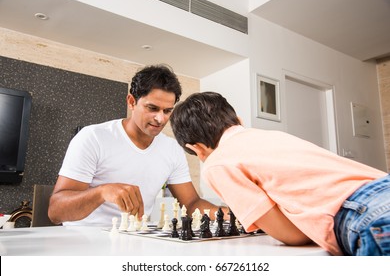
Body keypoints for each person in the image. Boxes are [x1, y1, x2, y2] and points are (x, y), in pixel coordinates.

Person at [169, 91, 390, 256]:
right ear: (239, 122)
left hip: (365, 215)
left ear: (196, 148)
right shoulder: (272, 136)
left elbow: (291, 236)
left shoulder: (216, 163)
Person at [48, 65, 223, 227]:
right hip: (83, 240)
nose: (160, 119)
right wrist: (102, 192)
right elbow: (56, 212)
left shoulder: (172, 149)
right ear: (131, 102)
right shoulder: (93, 137)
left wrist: (230, 215)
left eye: (167, 111)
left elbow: (192, 203)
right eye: (152, 108)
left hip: (136, 239)